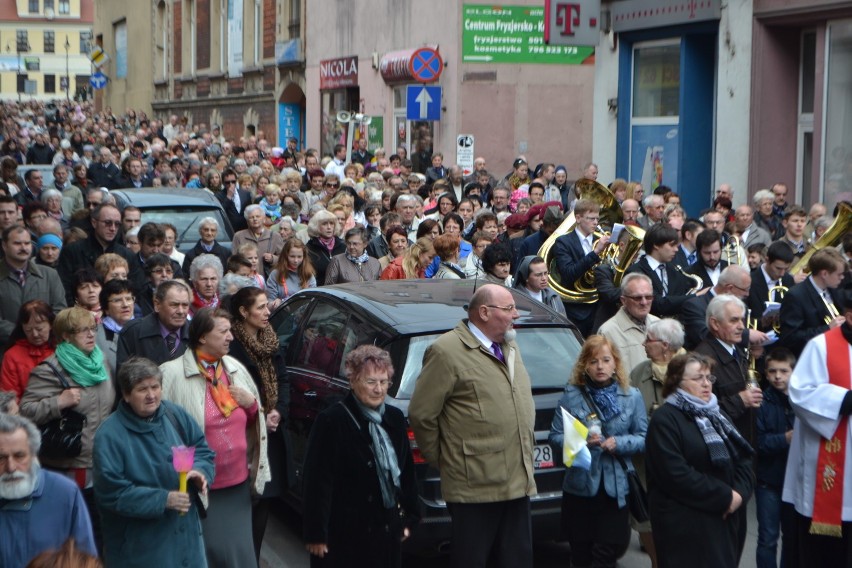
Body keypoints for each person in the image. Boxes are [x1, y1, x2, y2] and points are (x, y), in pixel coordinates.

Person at [409, 284, 536, 568]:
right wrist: (444, 460)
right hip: (475, 486)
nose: (515, 314)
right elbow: (422, 414)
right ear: (484, 312)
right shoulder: (447, 351)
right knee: (472, 560)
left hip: (517, 481)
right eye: (508, 309)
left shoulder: (509, 345)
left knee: (517, 560)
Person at [160, 307, 268, 567]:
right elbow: (167, 434)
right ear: (202, 338)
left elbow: (255, 423)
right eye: (223, 331)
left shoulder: (234, 369)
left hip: (238, 485)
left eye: (230, 330)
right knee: (209, 556)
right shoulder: (170, 374)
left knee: (240, 557)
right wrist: (185, 480)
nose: (231, 336)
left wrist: (252, 405)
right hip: (201, 488)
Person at [302, 345, 419, 567]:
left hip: (385, 533)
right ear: (353, 381)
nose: (378, 389)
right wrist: (316, 534)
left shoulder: (394, 419)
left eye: (384, 382)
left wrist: (410, 519)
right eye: (371, 382)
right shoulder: (332, 420)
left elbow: (406, 474)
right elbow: (317, 482)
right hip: (344, 536)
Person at [92, 357, 214, 568]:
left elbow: (202, 449)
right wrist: (163, 500)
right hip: (140, 549)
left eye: (155, 387)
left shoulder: (175, 415)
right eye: (142, 389)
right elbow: (111, 492)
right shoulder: (110, 435)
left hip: (188, 544)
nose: (151, 395)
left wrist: (200, 472)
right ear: (126, 395)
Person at [19, 306, 116, 550]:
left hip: (103, 463)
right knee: (73, 539)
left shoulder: (101, 361)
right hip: (68, 468)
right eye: (82, 330)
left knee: (101, 537)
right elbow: (25, 412)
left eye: (92, 329)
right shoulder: (48, 370)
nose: (91, 335)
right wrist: (57, 403)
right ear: (65, 336)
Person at [646, 352, 755, 566]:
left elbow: (743, 458)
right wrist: (724, 497)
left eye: (709, 377)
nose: (706, 384)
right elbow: (675, 474)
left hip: (725, 519)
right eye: (698, 378)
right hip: (686, 527)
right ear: (677, 382)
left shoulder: (716, 414)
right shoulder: (665, 419)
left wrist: (739, 495)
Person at [548, 335, 648, 568]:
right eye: (593, 361)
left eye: (605, 360)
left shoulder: (631, 396)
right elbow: (555, 436)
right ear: (584, 365)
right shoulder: (572, 395)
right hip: (580, 487)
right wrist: (582, 439)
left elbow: (644, 438)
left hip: (615, 489)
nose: (600, 366)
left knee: (606, 555)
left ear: (615, 364)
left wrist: (619, 443)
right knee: (581, 556)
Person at [782, 287, 852, 567]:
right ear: (849, 315)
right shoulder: (821, 346)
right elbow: (800, 393)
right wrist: (845, 399)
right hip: (833, 469)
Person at [227, 287, 291, 563]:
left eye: (267, 306)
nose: (268, 312)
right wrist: (256, 413)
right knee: (243, 499)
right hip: (244, 432)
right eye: (261, 307)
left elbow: (284, 379)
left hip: (271, 431)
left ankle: (253, 557)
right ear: (243, 312)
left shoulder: (269, 339)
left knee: (265, 496)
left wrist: (278, 411)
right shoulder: (232, 345)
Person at [0, 413, 97, 567]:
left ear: (33, 455)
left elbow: (85, 559)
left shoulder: (65, 493)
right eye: (1, 458)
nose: (11, 467)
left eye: (19, 456)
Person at [695, 294, 763, 445]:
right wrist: (740, 401)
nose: (741, 326)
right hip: (724, 448)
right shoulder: (702, 360)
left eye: (742, 320)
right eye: (734, 320)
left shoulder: (736, 350)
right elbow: (700, 411)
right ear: (715, 323)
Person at [755, 348, 796, 568]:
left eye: (783, 371)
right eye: (772, 371)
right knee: (767, 538)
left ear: (793, 372)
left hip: (795, 482)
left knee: (792, 538)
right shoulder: (761, 403)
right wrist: (785, 439)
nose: (778, 376)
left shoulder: (802, 402)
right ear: (766, 373)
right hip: (768, 481)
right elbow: (758, 443)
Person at [0, 226, 67, 346]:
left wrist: (41, 332)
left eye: (27, 243)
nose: (23, 248)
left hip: (46, 351)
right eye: (17, 243)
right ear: (4, 246)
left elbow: (60, 310)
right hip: (6, 351)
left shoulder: (49, 274)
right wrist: (26, 333)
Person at [553, 199, 610, 336]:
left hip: (600, 306)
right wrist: (595, 253)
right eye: (591, 219)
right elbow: (569, 274)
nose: (596, 223)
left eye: (597, 218)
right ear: (578, 218)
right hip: (577, 309)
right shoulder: (563, 242)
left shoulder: (600, 238)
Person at [779, 248, 846, 356]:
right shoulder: (795, 296)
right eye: (839, 274)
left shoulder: (834, 288)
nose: (842, 277)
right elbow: (789, 338)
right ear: (824, 274)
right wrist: (827, 328)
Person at [115, 280, 192, 375]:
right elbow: (124, 381)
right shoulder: (133, 332)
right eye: (174, 305)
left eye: (185, 305)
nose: (181, 311)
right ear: (157, 305)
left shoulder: (197, 332)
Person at [598, 273, 660, 374]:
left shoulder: (659, 325)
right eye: (637, 298)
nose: (644, 302)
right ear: (623, 300)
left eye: (648, 297)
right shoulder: (608, 332)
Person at [0, 301, 56, 401]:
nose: (34, 334)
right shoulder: (12, 356)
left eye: (39, 329)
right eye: (28, 330)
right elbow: (9, 396)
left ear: (51, 324)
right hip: (26, 412)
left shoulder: (62, 348)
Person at [95, 279, 136, 376]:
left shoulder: (144, 328)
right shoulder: (95, 335)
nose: (125, 305)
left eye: (129, 299)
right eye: (117, 300)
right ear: (106, 308)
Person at [266, 238, 316, 309]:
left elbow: (312, 301)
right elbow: (269, 303)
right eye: (292, 256)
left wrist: (282, 301)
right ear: (286, 256)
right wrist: (274, 304)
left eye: (299, 257)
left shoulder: (308, 275)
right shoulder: (275, 274)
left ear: (304, 257)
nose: (296, 260)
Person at [306, 210, 346, 286]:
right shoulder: (309, 249)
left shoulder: (344, 246)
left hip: (343, 291)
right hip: (320, 291)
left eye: (331, 223)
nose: (329, 227)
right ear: (316, 227)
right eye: (324, 224)